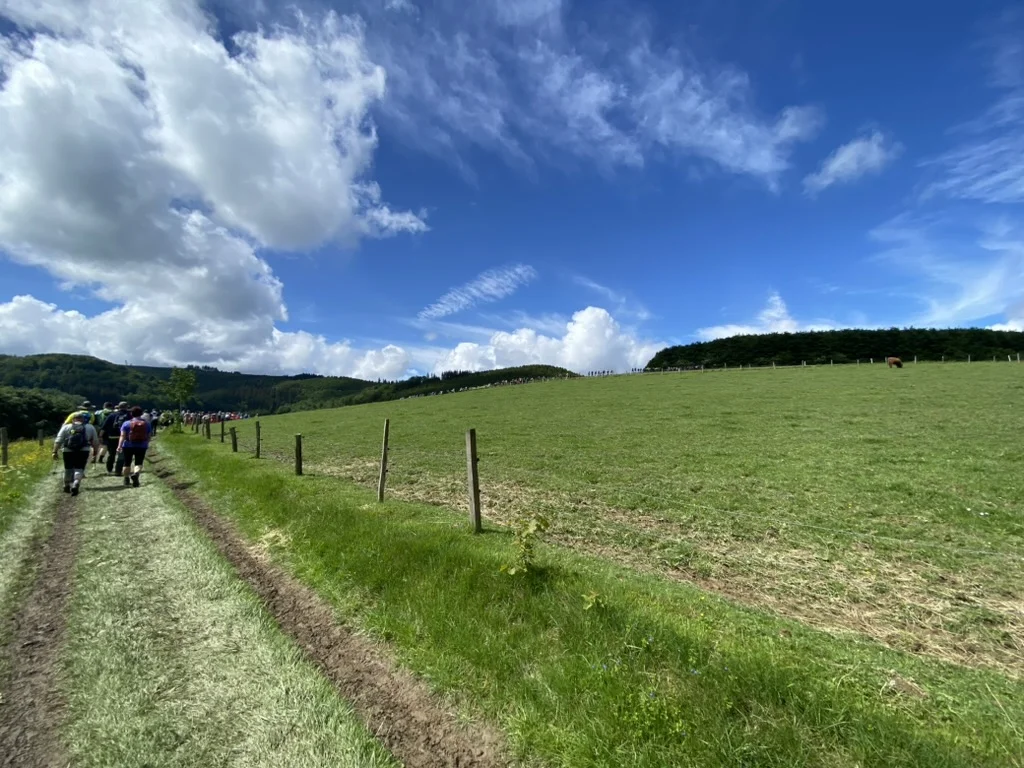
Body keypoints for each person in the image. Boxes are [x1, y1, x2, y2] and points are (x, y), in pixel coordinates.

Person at [52, 411, 99, 496]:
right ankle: (76, 483)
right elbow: (95, 441)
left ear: (73, 419)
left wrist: (54, 451)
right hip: (83, 450)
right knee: (79, 468)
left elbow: (58, 440)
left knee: (68, 468)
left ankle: (66, 485)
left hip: (68, 450)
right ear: (83, 419)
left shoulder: (66, 427)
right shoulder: (90, 427)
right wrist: (95, 452)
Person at [116, 406, 152, 487]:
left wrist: (119, 446)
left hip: (128, 445)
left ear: (131, 414)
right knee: (138, 462)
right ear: (141, 414)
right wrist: (146, 443)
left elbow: (122, 436)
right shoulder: (147, 424)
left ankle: (126, 479)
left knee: (127, 463)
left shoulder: (126, 423)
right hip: (141, 446)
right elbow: (149, 436)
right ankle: (136, 475)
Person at [100, 401, 131, 475]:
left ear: (118, 407)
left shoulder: (112, 415)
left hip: (112, 437)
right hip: (124, 438)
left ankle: (109, 470)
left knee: (111, 454)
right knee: (122, 455)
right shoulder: (129, 416)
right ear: (127, 407)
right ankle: (118, 471)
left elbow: (104, 427)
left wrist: (100, 436)